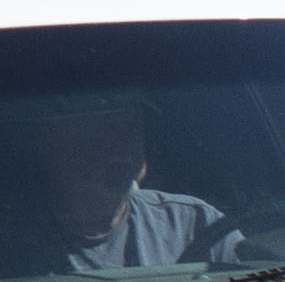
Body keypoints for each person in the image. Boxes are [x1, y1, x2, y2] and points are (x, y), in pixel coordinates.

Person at [28, 89, 243, 272]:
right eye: (103, 132)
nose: (123, 149)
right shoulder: (7, 247)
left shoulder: (194, 225)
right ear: (52, 143)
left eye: (130, 128)